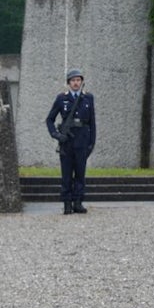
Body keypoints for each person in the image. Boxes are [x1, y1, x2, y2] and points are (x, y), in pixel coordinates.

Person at [46, 69, 96, 214]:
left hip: (82, 140)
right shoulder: (62, 98)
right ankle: (67, 203)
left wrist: (92, 142)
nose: (76, 83)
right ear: (68, 83)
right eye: (73, 80)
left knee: (80, 173)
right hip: (66, 142)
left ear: (81, 82)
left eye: (78, 80)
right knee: (66, 174)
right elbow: (49, 119)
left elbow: (92, 122)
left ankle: (78, 202)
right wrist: (56, 134)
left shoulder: (88, 98)